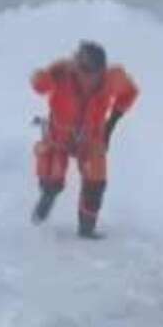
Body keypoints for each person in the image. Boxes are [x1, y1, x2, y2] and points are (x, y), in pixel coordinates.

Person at [31, 40, 139, 238]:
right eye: (83, 71)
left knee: (96, 181)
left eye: (94, 73)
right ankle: (47, 196)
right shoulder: (61, 73)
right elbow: (39, 86)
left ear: (101, 71)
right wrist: (44, 75)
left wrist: (111, 123)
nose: (88, 78)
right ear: (75, 68)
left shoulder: (112, 79)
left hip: (90, 139)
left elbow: (131, 92)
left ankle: (86, 228)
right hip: (58, 137)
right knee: (52, 177)